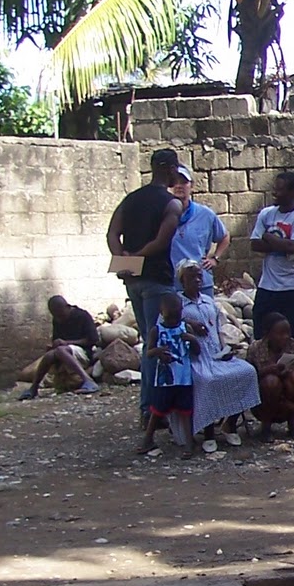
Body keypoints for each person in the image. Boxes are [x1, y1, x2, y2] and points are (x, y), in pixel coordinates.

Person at [107, 148, 184, 422]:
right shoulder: (171, 203)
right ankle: (152, 410)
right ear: (171, 170)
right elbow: (162, 241)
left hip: (133, 278)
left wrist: (124, 259)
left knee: (146, 341)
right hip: (157, 279)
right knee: (158, 343)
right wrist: (138, 256)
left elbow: (113, 233)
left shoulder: (131, 199)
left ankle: (151, 408)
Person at [176, 260, 259, 452]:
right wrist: (188, 323)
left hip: (216, 353)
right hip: (194, 357)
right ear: (182, 280)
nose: (197, 280)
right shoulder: (177, 304)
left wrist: (226, 348)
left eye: (199, 276)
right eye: (191, 277)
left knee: (246, 372)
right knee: (208, 380)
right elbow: (168, 327)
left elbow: (220, 328)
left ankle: (229, 423)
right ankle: (208, 432)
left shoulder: (208, 301)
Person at [249, 171, 294, 341]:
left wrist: (268, 237)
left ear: (293, 192)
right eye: (274, 189)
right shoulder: (266, 214)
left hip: (293, 286)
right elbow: (255, 244)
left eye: (280, 190)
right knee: (261, 334)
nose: (275, 193)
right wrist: (283, 245)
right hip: (267, 286)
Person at [245, 312, 294, 440]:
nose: (285, 337)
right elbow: (246, 380)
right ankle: (266, 426)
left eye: (287, 332)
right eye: (280, 334)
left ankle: (292, 423)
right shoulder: (255, 348)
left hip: (290, 402)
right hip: (263, 403)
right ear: (268, 334)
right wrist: (266, 371)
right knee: (271, 381)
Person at [141, 292, 198, 456]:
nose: (174, 319)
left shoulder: (185, 328)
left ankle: (189, 443)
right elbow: (149, 353)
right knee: (157, 409)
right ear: (161, 313)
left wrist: (192, 339)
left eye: (177, 314)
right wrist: (158, 351)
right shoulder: (156, 330)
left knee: (186, 411)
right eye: (170, 315)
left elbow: (197, 351)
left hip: (183, 378)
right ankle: (148, 439)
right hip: (165, 379)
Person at [19, 296, 101, 399]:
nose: (59, 318)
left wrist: (66, 343)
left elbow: (93, 340)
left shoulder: (82, 316)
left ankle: (88, 381)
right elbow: (57, 340)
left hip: (84, 353)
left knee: (61, 350)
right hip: (65, 353)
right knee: (49, 355)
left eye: (61, 315)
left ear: (67, 307)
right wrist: (53, 345)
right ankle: (33, 388)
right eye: (56, 316)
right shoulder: (57, 319)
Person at [167, 164, 228, 291]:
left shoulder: (205, 214)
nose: (178, 186)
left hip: (200, 283)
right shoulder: (161, 215)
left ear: (191, 186)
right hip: (172, 284)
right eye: (174, 182)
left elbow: (224, 237)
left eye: (183, 182)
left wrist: (215, 258)